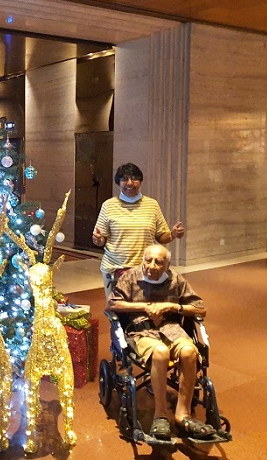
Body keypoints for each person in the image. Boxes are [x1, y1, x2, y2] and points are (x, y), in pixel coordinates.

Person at [108, 244, 215, 441]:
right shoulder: (130, 277)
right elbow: (113, 303)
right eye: (148, 260)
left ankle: (182, 415)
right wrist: (146, 307)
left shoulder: (176, 280)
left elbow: (200, 309)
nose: (152, 265)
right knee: (160, 352)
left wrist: (173, 306)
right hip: (142, 331)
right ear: (143, 260)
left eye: (159, 262)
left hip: (172, 330)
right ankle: (160, 415)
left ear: (167, 265)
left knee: (190, 351)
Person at [92, 162, 185, 299]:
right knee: (118, 310)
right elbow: (100, 239)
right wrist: (98, 239)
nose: (130, 183)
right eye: (124, 179)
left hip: (146, 269)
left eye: (134, 178)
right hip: (115, 268)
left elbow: (161, 236)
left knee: (144, 307)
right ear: (119, 182)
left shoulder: (152, 205)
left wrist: (173, 234)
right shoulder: (109, 205)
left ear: (140, 181)